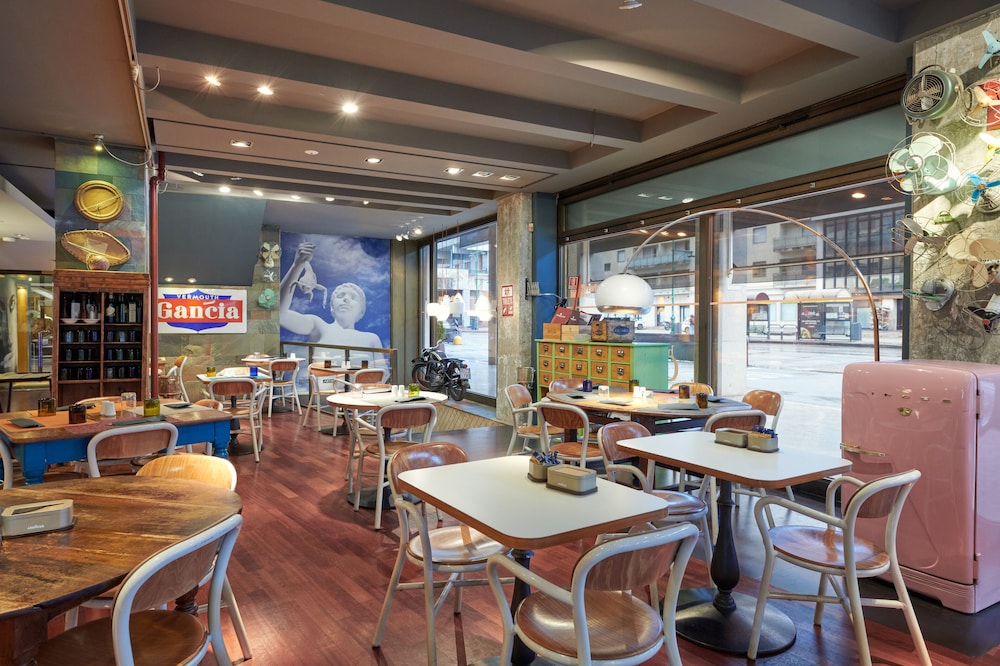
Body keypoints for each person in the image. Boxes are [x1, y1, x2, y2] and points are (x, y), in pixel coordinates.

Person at [280, 242, 384, 364]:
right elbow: (280, 315)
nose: (346, 299)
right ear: (332, 307)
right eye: (340, 296)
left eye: (353, 297)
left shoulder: (371, 339)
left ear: (361, 312)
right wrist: (297, 266)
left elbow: (383, 371)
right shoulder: (318, 326)